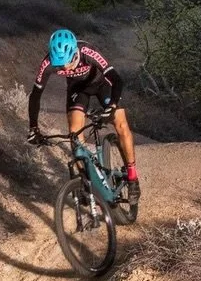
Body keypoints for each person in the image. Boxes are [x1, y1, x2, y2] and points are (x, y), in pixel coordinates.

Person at [27, 29, 140, 202]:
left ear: (74, 53)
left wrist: (112, 105)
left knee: (120, 123)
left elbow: (116, 79)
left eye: (66, 63)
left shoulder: (87, 51)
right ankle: (86, 182)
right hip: (78, 90)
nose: (63, 68)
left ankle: (132, 177)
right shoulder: (48, 62)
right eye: (59, 65)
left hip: (102, 85)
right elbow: (35, 96)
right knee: (74, 135)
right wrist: (33, 128)